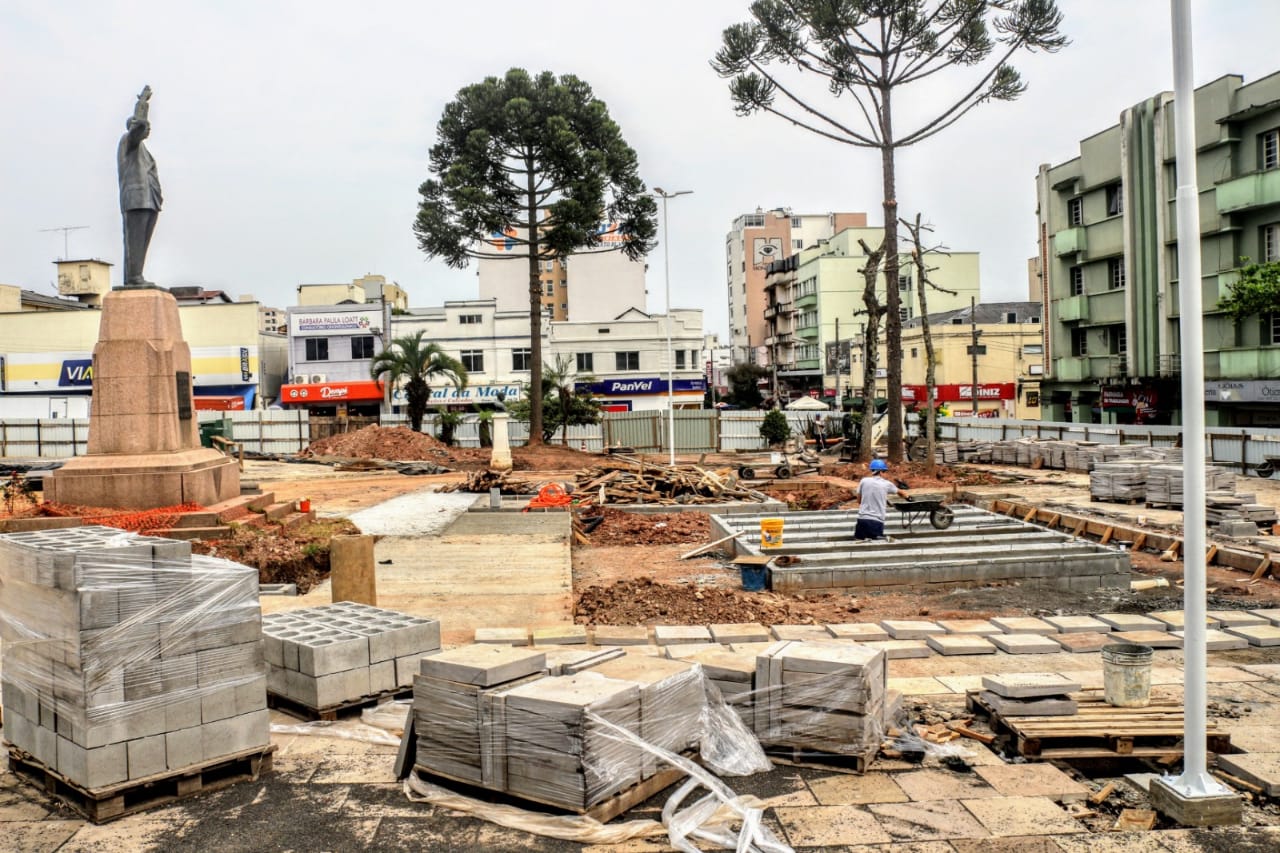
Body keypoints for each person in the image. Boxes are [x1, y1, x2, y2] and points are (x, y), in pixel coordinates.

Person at [117, 85, 163, 287]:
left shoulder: (144, 150)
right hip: (136, 200)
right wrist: (142, 104)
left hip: (149, 201)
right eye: (145, 128)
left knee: (142, 243)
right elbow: (139, 127)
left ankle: (136, 276)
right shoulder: (129, 141)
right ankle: (134, 278)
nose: (148, 129)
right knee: (134, 241)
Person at [854, 459, 909, 540]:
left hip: (861, 521)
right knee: (876, 544)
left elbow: (859, 501)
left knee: (860, 543)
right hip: (876, 522)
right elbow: (901, 493)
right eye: (884, 472)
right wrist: (908, 498)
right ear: (880, 472)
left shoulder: (863, 481)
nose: (885, 474)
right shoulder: (886, 484)